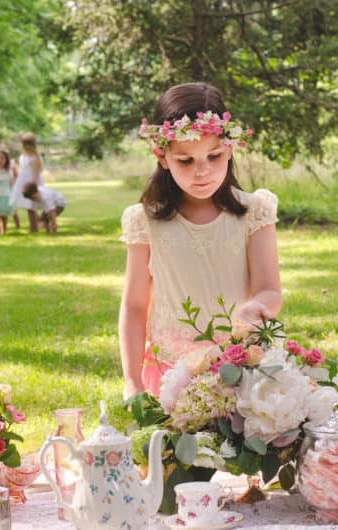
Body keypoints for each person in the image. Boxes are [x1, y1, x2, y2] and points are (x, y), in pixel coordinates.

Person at [119, 82, 281, 399]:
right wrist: (132, 381)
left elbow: (270, 290)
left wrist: (256, 308)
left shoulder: (254, 212)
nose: (202, 172)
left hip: (239, 370)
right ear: (162, 156)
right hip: (169, 374)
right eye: (186, 161)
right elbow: (135, 306)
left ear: (230, 149)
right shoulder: (145, 221)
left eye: (214, 156)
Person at [9, 132, 44, 232]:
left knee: (31, 207)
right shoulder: (23, 156)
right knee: (28, 207)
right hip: (23, 182)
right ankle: (36, 224)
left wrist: (35, 187)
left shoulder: (34, 158)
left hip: (31, 183)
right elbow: (22, 170)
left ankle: (35, 227)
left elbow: (36, 174)